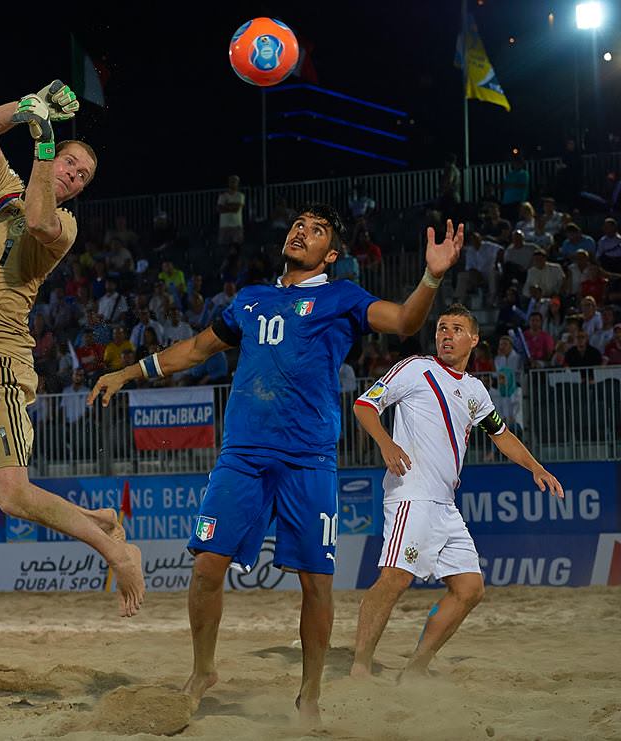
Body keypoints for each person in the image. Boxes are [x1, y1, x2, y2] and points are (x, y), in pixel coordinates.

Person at [88, 204, 464, 721]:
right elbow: (196, 349)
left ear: (330, 254)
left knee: (315, 582)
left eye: (315, 231)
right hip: (241, 455)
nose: (299, 232)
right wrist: (127, 371)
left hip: (307, 460)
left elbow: (403, 321)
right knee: (205, 569)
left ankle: (309, 695)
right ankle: (203, 670)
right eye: (297, 225)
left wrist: (430, 276)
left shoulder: (341, 297)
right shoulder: (251, 299)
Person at [0, 80, 144, 618]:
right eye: (70, 164)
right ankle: (97, 518)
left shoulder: (62, 225)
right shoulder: (5, 192)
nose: (73, 175)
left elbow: (36, 218)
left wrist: (45, 143)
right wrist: (26, 106)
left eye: (81, 176)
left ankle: (115, 551)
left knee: (9, 493)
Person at [348, 304, 563, 679]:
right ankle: (359, 668)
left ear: (474, 339)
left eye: (456, 329)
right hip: (411, 494)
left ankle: (415, 668)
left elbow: (501, 434)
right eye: (442, 328)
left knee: (469, 589)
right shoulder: (416, 368)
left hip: (445, 506)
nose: (446, 334)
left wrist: (536, 466)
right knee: (395, 578)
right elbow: (364, 404)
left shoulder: (476, 390)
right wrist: (385, 442)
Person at [217, 175, 245, 246]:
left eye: (234, 181)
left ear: (237, 183)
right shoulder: (222, 196)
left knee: (237, 247)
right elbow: (219, 209)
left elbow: (236, 209)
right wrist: (232, 206)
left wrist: (226, 205)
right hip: (224, 225)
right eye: (231, 181)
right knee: (224, 247)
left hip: (237, 225)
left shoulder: (240, 195)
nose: (233, 183)